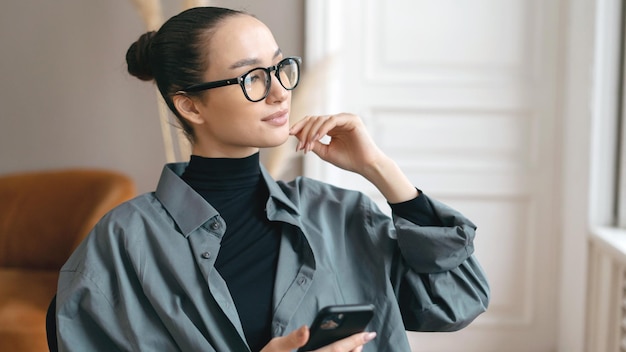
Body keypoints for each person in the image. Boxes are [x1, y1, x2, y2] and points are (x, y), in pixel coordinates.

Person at [55, 6, 490, 352]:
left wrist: (380, 170)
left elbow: (457, 302)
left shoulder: (338, 213)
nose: (281, 90)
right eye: (252, 78)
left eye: (280, 67)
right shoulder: (124, 241)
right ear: (190, 107)